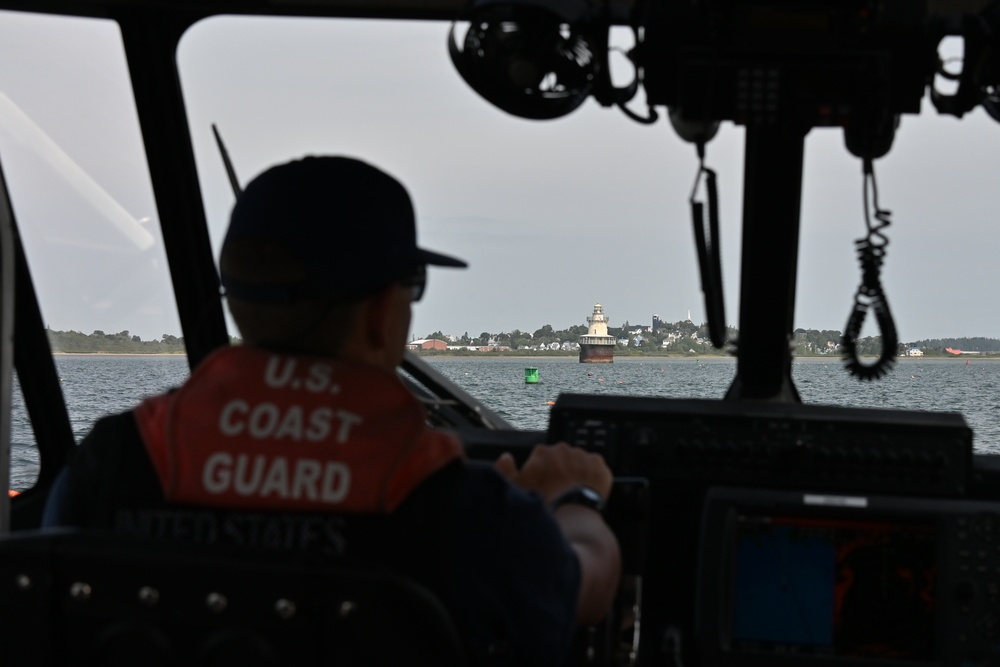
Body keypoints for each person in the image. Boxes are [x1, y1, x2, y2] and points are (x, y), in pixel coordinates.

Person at [44, 155, 621, 665]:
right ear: (379, 313)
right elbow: (586, 590)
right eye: (412, 286)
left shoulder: (110, 464)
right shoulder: (461, 508)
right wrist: (575, 500)